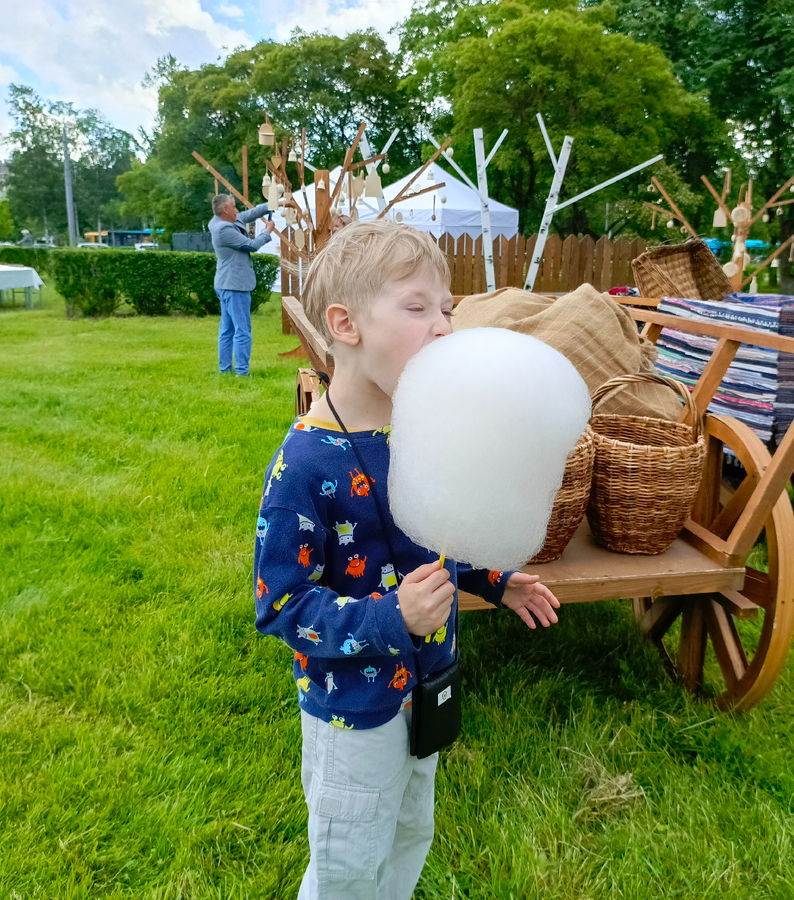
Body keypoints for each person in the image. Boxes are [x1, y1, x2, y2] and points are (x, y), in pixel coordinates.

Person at [254, 220, 561, 900]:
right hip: (354, 711)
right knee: (349, 862)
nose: (445, 327)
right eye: (419, 307)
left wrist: (493, 581)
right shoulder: (305, 463)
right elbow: (279, 606)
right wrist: (392, 618)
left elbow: (433, 536)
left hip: (426, 688)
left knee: (407, 835)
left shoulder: (419, 430)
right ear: (346, 324)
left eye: (448, 309)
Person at [209, 193, 273, 375]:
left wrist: (275, 203)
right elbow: (251, 245)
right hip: (235, 285)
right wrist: (267, 231)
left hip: (226, 283)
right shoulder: (223, 229)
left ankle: (225, 370)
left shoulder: (225, 220)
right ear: (225, 210)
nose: (238, 210)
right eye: (234, 206)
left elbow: (250, 214)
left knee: (227, 329)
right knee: (242, 329)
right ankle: (242, 373)